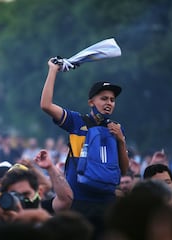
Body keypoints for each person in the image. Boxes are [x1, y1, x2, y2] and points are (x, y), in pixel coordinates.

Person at [40, 58, 129, 218]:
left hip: (107, 202)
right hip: (78, 200)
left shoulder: (116, 128)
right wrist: (53, 70)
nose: (109, 103)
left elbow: (123, 170)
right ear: (91, 102)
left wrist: (121, 140)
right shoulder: (76, 121)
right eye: (104, 98)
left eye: (112, 100)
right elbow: (46, 105)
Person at [0, 149, 73, 223]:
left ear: (39, 192)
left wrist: (50, 167)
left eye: (25, 194)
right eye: (15, 195)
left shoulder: (44, 211)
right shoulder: (3, 217)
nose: (21, 199)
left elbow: (65, 200)